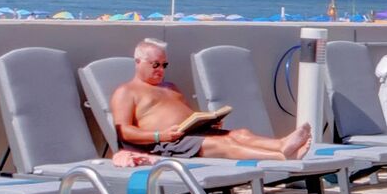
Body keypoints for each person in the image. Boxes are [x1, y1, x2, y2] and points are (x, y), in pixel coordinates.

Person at [105, 38, 314, 160]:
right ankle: (281, 157)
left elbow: (186, 116)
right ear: (138, 61)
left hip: (189, 136)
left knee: (240, 133)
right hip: (164, 146)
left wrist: (208, 122)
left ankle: (281, 144)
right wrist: (160, 136)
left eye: (164, 65)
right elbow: (123, 131)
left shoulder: (170, 87)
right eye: (155, 65)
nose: (161, 70)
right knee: (224, 145)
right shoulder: (127, 91)